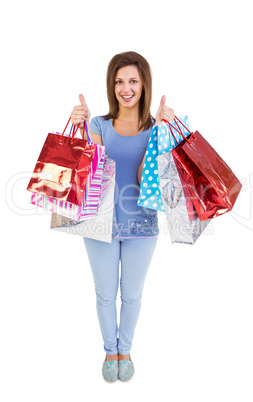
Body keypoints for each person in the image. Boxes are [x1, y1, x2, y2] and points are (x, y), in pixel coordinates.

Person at [71, 51, 174, 382]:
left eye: (132, 80)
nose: (125, 88)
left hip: (141, 226)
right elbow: (94, 169)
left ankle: (125, 350)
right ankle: (109, 351)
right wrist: (81, 128)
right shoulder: (99, 124)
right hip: (98, 225)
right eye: (119, 81)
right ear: (111, 85)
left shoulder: (152, 128)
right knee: (104, 294)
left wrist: (160, 131)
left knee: (131, 295)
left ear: (144, 84)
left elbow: (150, 177)